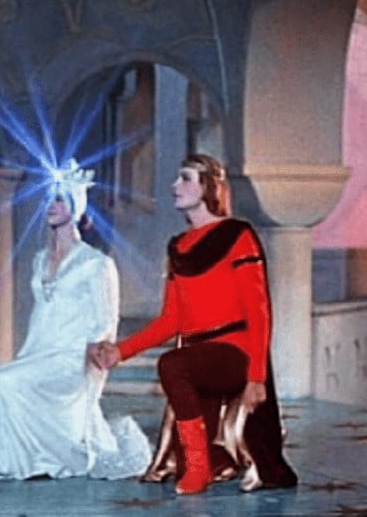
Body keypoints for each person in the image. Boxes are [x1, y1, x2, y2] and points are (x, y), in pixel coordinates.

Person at [88, 153, 298, 495]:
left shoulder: (238, 235)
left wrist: (256, 378)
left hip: (235, 354)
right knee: (182, 450)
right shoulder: (179, 247)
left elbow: (259, 312)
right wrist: (120, 352)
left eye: (185, 178)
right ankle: (205, 462)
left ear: (208, 187)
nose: (175, 185)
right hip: (198, 359)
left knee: (172, 364)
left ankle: (199, 468)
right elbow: (172, 320)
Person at [0, 159, 153, 481]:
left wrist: (93, 368)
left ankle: (29, 462)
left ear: (75, 206)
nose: (52, 205)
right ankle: (21, 461)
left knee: (4, 383)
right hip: (40, 351)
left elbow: (105, 320)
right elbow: (42, 312)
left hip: (72, 358)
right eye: (49, 198)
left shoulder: (96, 263)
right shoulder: (40, 260)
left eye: (59, 199)